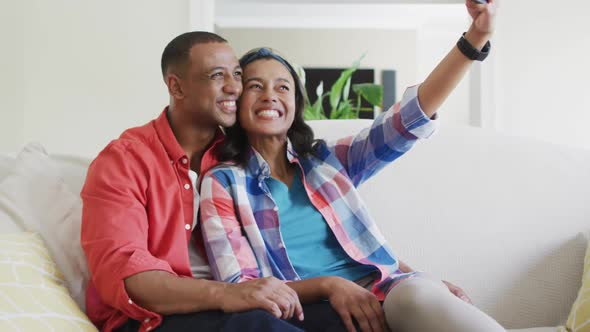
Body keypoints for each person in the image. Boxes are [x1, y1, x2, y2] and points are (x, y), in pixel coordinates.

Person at [199, 1, 506, 332]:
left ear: (295, 105)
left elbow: (407, 120)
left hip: (386, 296)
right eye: (255, 86)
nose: (270, 95)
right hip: (312, 313)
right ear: (237, 102)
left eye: (282, 87)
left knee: (418, 296)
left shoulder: (326, 163)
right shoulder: (223, 183)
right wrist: (329, 285)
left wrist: (475, 38)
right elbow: (242, 285)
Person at [80, 31, 345, 332]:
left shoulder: (241, 158)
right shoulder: (123, 161)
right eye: (217, 75)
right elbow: (130, 276)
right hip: (151, 319)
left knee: (345, 320)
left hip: (240, 305)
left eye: (237, 74)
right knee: (260, 325)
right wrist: (229, 294)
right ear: (176, 87)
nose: (234, 88)